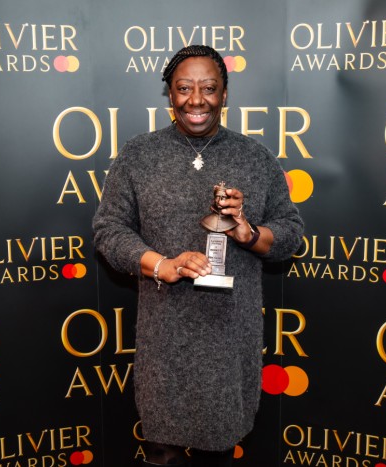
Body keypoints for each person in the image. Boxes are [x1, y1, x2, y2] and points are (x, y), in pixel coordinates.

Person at [92, 45, 304, 467]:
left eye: (209, 88)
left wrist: (248, 232)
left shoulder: (255, 157)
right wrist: (161, 264)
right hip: (164, 337)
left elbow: (291, 234)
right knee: (161, 451)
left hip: (230, 338)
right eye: (183, 88)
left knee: (219, 450)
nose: (196, 100)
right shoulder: (138, 155)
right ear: (169, 94)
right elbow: (108, 230)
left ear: (225, 94)